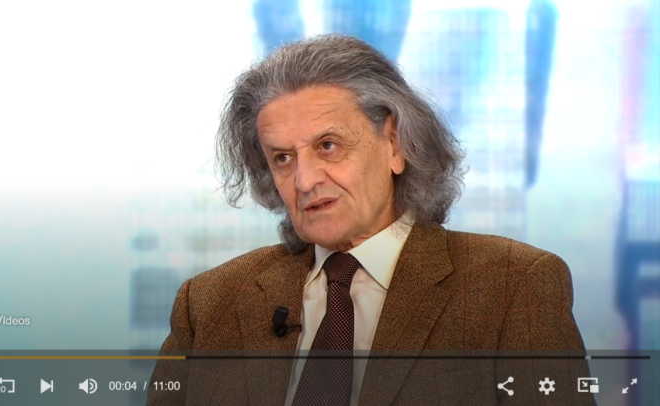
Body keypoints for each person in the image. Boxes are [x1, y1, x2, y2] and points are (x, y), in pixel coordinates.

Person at [146, 35, 595, 406]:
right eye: (282, 158)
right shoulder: (209, 304)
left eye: (328, 146)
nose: (304, 180)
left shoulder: (513, 285)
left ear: (394, 144)